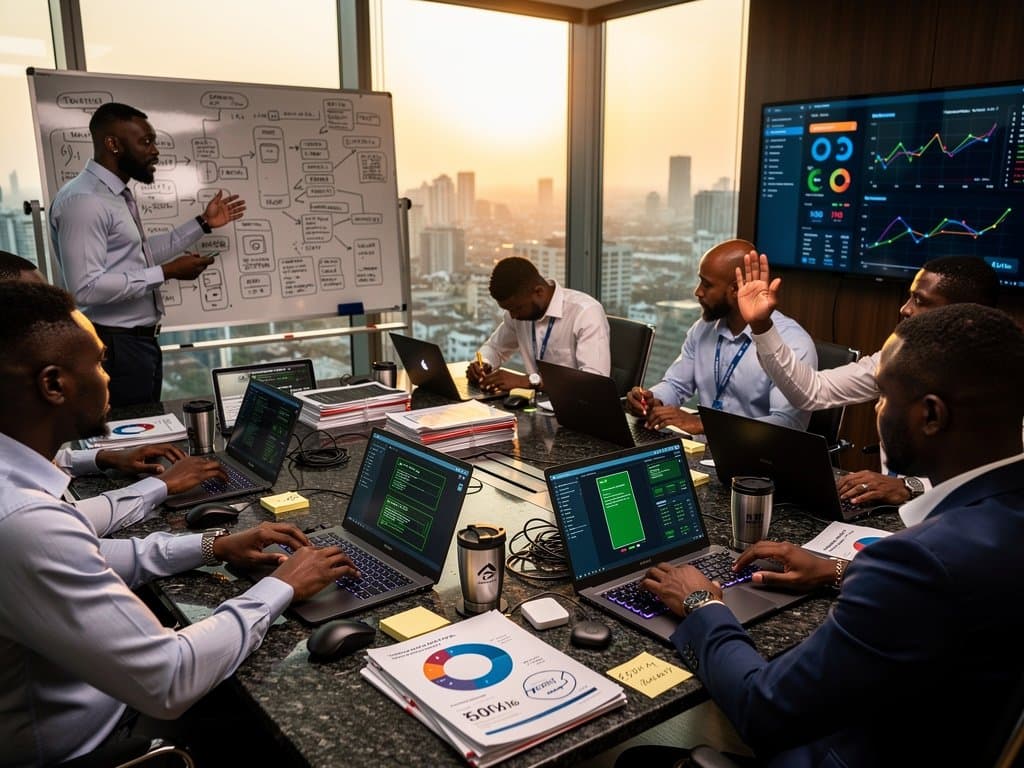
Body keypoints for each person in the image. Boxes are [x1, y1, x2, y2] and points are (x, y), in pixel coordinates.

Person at [623, 303, 1024, 767]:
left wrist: (702, 604)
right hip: (946, 735)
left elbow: (763, 709)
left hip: (849, 752)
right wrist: (838, 569)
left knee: (636, 760)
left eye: (883, 397)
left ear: (931, 416)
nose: (876, 410)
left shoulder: (917, 562)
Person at [0, 281, 357, 766]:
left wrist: (214, 545)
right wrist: (282, 586)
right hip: (107, 742)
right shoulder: (20, 521)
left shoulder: (16, 491)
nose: (109, 378)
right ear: (54, 385)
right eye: (100, 362)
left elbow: (88, 551)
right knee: (309, 716)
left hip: (102, 694)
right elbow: (171, 677)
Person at [736, 251, 1000, 507]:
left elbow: (1002, 479)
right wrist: (762, 326)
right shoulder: (898, 357)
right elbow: (811, 392)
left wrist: (912, 487)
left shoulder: (1004, 379)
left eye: (920, 300)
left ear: (965, 316)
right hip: (896, 517)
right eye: (909, 298)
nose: (904, 309)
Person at [0, 249, 225, 534]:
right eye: (36, 306)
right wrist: (161, 486)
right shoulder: (20, 511)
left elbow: (65, 522)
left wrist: (102, 457)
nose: (56, 315)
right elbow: (57, 530)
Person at [49, 101, 246, 407]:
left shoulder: (113, 195)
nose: (154, 151)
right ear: (113, 144)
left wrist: (203, 224)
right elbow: (85, 288)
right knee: (129, 439)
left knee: (148, 429)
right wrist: (166, 272)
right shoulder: (84, 201)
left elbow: (138, 254)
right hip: (113, 345)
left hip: (137, 344)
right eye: (145, 141)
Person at [626, 239, 816, 435]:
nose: (697, 292)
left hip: (761, 457)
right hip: (705, 450)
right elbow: (675, 385)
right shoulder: (703, 329)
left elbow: (787, 423)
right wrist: (652, 400)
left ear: (735, 289)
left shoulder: (794, 343)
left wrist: (706, 425)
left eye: (707, 285)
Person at [466, 256, 610, 392]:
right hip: (537, 405)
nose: (513, 316)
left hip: (577, 408)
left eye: (517, 308)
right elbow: (495, 348)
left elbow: (595, 383)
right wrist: (482, 364)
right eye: (508, 310)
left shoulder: (585, 312)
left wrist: (528, 381)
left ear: (539, 291)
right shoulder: (518, 314)